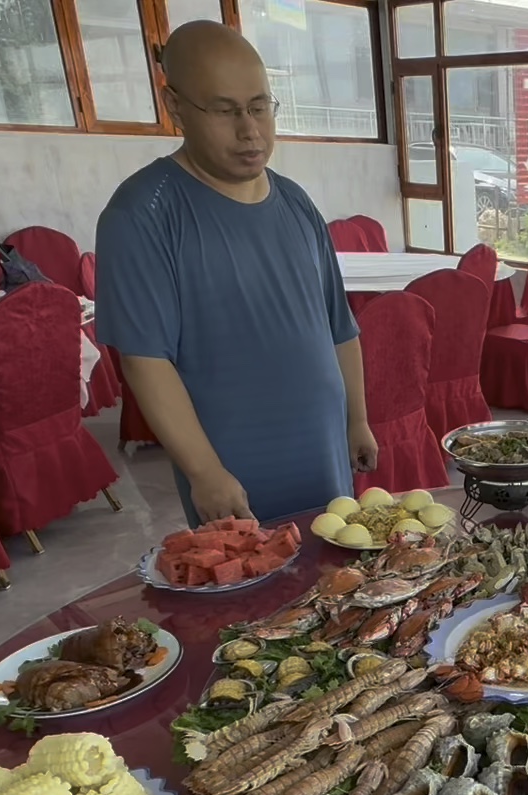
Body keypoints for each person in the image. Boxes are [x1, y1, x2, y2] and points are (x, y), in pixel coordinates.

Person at [94, 21, 377, 526]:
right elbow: (144, 361)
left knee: (338, 579)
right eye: (225, 111)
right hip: (236, 471)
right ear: (175, 106)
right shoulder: (144, 212)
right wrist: (204, 471)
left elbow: (339, 327)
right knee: (252, 596)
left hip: (323, 452)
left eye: (260, 106)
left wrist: (356, 418)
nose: (250, 130)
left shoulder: (294, 201)